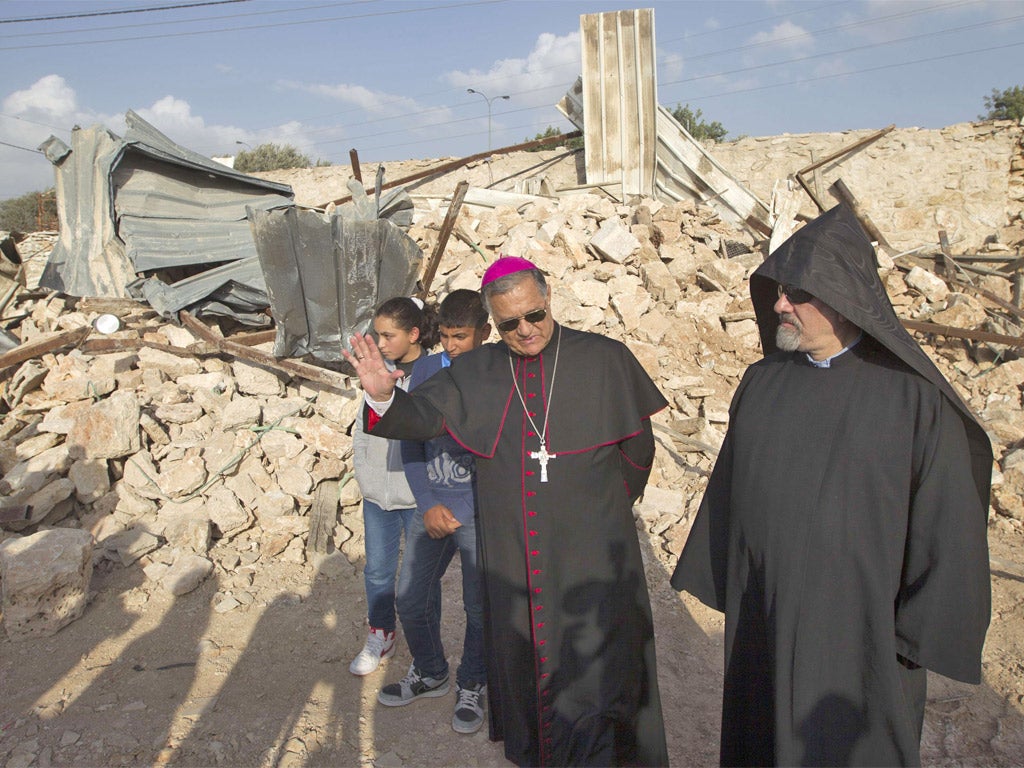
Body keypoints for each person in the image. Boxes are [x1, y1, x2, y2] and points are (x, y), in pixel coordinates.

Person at [671, 204, 992, 766]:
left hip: (858, 629)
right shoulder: (761, 382)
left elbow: (947, 527)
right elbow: (728, 496)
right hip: (765, 613)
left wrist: (913, 634)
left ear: (844, 297)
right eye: (778, 290)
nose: (778, 305)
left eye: (797, 293)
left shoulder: (912, 399)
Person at [344, 257, 670, 767]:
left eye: (534, 316)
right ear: (494, 325)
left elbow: (637, 451)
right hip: (515, 549)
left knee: (601, 660)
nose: (526, 331)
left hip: (592, 546)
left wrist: (596, 507)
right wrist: (384, 397)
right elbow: (425, 416)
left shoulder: (605, 358)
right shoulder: (478, 370)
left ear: (547, 299)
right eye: (509, 324)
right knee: (527, 658)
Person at [376, 289, 492, 736]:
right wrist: (427, 504)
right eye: (444, 336)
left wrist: (461, 506)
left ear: (483, 332)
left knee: (479, 605)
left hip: (477, 512)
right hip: (433, 508)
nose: (451, 346)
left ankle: (472, 682)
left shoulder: (498, 372)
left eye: (460, 336)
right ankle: (430, 671)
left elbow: (501, 451)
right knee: (409, 596)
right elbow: (410, 441)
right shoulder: (425, 369)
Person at [349, 296, 439, 676]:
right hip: (378, 494)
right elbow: (363, 429)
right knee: (378, 573)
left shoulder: (437, 372)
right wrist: (365, 475)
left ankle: (427, 649)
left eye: (389, 335)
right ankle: (381, 634)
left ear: (414, 334)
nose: (381, 344)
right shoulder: (377, 371)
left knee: (420, 580)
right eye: (377, 335)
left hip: (417, 494)